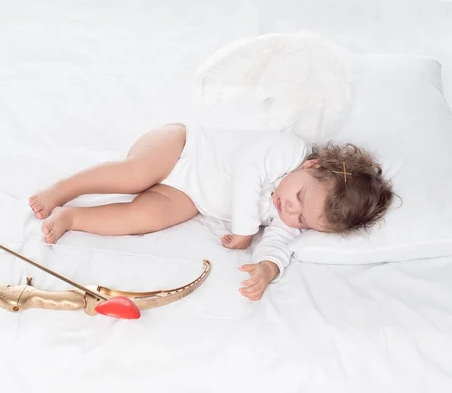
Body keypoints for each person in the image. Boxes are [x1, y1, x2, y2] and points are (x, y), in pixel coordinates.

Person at [28, 123, 394, 300]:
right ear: (312, 166)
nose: (290, 209)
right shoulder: (287, 150)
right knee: (135, 176)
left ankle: (72, 217)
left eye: (302, 219)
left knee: (144, 219)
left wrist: (268, 267)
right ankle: (64, 189)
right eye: (298, 196)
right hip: (182, 148)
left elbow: (282, 241)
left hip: (189, 195)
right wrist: (247, 231)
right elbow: (248, 172)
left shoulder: (292, 217)